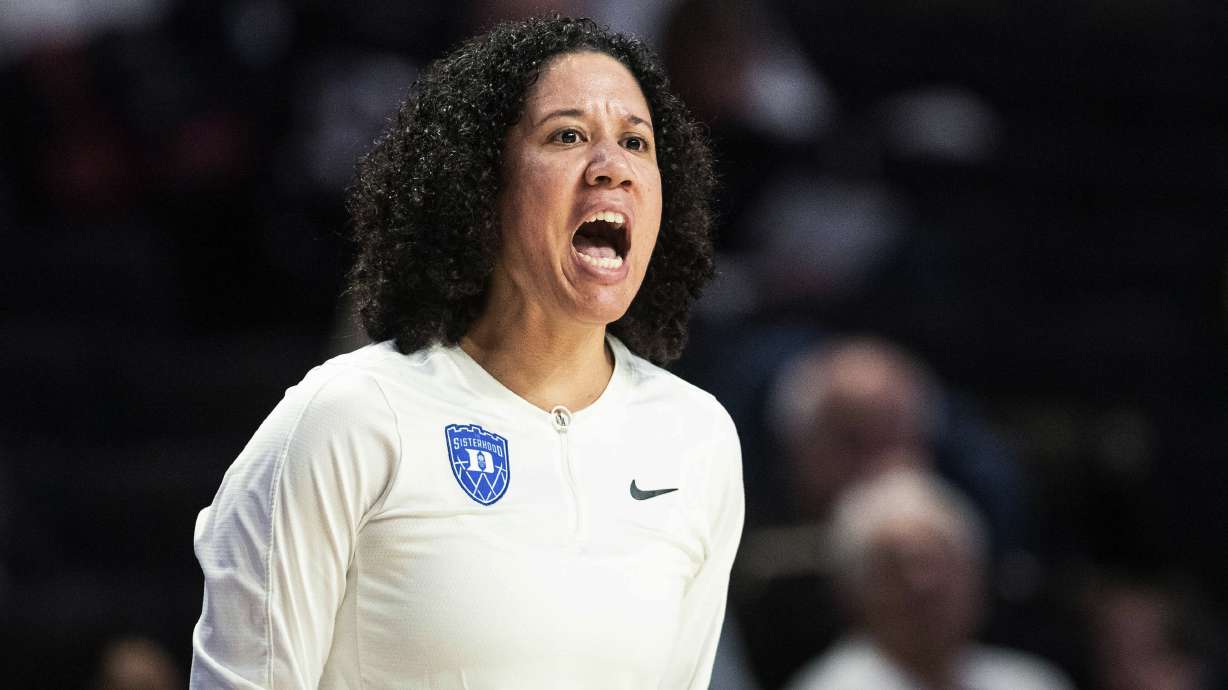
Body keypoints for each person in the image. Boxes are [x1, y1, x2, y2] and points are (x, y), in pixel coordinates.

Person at [189, 16, 742, 690]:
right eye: (567, 136)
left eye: (636, 142)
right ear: (482, 182)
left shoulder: (698, 437)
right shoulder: (351, 417)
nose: (612, 168)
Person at [784, 468, 1071, 690]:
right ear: (852, 592)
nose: (924, 585)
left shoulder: (1030, 681)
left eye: (941, 564)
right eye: (894, 571)